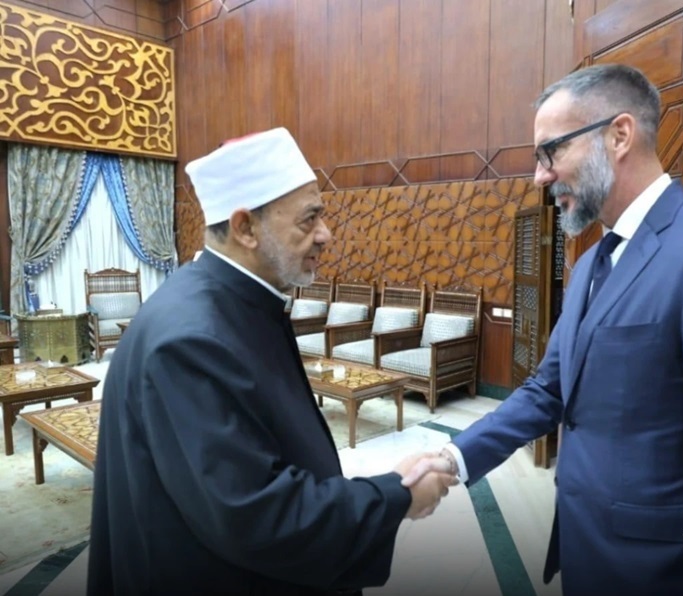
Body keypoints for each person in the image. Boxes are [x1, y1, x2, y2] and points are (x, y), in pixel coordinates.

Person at [406, 64, 683, 594]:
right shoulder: (595, 258)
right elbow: (549, 387)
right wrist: (453, 457)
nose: (539, 176)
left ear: (619, 135)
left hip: (665, 572)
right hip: (589, 551)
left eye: (551, 152)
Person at [87, 128, 457, 595]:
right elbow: (256, 515)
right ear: (245, 228)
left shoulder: (236, 303)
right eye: (309, 219)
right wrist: (395, 496)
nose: (327, 234)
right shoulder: (191, 340)